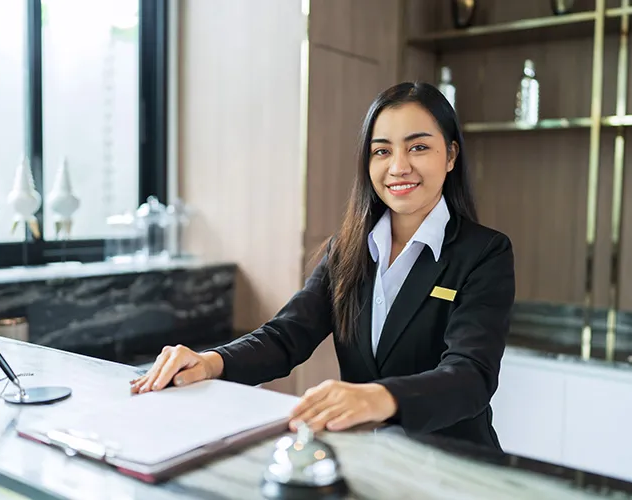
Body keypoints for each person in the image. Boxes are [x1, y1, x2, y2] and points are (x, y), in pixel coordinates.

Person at [130, 81, 515, 449]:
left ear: (449, 155)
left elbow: (470, 375)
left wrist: (379, 398)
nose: (398, 166)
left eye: (417, 148)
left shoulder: (485, 253)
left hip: (454, 468)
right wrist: (211, 362)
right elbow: (286, 336)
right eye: (381, 151)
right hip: (366, 461)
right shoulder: (347, 250)